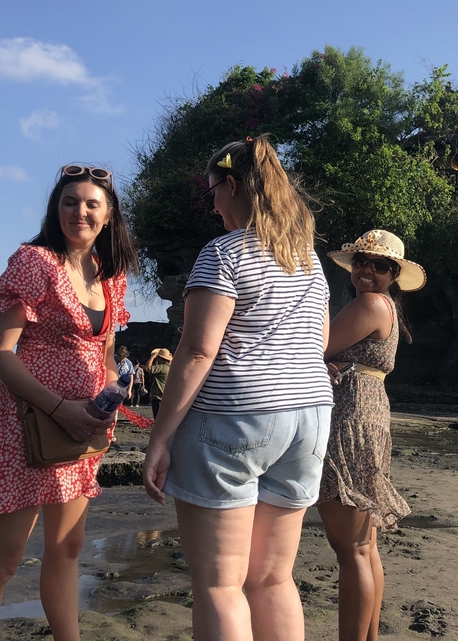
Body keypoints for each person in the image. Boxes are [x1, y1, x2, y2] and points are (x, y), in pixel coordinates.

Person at [142, 135, 334, 641]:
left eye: (213, 192)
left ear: (231, 185)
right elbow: (319, 342)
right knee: (273, 578)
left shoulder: (224, 253)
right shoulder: (307, 258)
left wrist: (160, 438)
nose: (212, 205)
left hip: (236, 415)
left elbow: (197, 351)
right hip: (309, 416)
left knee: (220, 585)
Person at [0, 164, 142, 641]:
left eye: (91, 204)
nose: (79, 211)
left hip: (85, 428)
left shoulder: (110, 274)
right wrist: (61, 408)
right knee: (1, 561)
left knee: (67, 548)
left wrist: (108, 396)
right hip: (28, 425)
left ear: (108, 215)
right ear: (55, 208)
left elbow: (104, 353)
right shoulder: (34, 262)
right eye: (69, 201)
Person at [317, 229, 426, 641]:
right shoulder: (388, 308)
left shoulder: (369, 304)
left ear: (393, 275)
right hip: (370, 416)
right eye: (361, 261)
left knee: (352, 552)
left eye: (379, 265)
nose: (366, 270)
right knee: (364, 549)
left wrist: (322, 359)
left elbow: (311, 347)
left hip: (348, 420)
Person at [144, 348, 172, 418]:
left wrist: (152, 357)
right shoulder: (171, 367)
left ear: (160, 358)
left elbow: (147, 368)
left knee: (158, 418)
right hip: (167, 396)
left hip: (159, 396)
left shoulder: (162, 367)